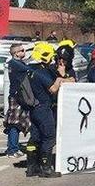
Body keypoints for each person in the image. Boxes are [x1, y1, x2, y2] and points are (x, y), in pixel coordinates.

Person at [25, 42, 72, 178]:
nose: (53, 59)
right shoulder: (42, 72)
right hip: (43, 108)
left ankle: (32, 167)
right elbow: (53, 89)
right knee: (49, 137)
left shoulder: (30, 70)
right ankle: (46, 168)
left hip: (34, 109)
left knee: (36, 137)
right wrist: (58, 80)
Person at [4, 43, 31, 158]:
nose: (24, 52)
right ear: (16, 53)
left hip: (18, 96)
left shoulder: (15, 63)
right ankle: (12, 149)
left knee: (18, 123)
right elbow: (29, 70)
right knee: (14, 124)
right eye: (22, 50)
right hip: (16, 97)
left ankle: (13, 147)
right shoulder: (15, 64)